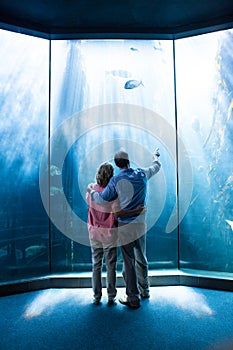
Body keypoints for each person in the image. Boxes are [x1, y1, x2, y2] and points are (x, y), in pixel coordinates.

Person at [87, 149, 161, 309]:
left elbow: (101, 198)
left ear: (117, 164)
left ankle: (132, 296)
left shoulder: (115, 181)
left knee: (128, 261)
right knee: (141, 257)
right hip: (140, 223)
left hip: (124, 226)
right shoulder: (142, 173)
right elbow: (156, 167)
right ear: (129, 160)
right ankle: (145, 290)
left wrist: (91, 192)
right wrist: (156, 158)